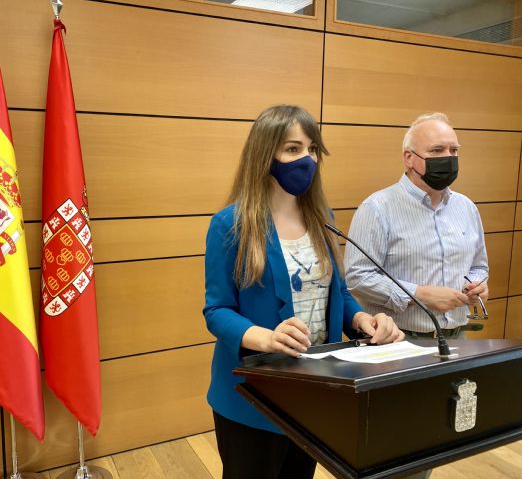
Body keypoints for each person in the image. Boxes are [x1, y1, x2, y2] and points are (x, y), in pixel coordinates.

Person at [203, 104, 405, 479]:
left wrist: (362, 320)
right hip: (253, 394)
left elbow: (338, 292)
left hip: (313, 389)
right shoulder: (230, 224)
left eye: (312, 149)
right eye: (293, 149)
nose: (307, 159)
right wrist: (265, 338)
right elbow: (217, 311)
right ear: (265, 154)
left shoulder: (322, 218)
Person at [344, 112, 489, 344]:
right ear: (409, 158)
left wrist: (477, 285)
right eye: (437, 150)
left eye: (454, 150)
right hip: (397, 340)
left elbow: (479, 266)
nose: (448, 157)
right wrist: (419, 294)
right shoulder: (377, 208)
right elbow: (358, 277)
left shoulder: (466, 207)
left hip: (457, 337)